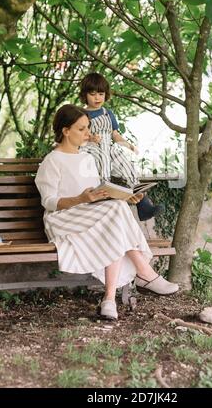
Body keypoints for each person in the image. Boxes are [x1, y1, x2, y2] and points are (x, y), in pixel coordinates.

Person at [35, 104, 179, 321]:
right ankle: (145, 273)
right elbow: (49, 202)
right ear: (66, 131)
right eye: (82, 129)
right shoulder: (51, 161)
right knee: (115, 216)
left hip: (92, 216)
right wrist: (81, 199)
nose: (88, 134)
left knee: (117, 211)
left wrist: (123, 197)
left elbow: (98, 194)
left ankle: (110, 299)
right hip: (63, 219)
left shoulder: (87, 158)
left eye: (88, 128)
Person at [79, 72, 164, 221]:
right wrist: (90, 137)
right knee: (103, 160)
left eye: (101, 94)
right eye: (92, 94)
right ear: (85, 95)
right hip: (90, 148)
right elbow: (79, 135)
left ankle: (143, 205)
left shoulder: (108, 113)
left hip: (108, 146)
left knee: (125, 163)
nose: (97, 98)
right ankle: (102, 199)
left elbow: (115, 135)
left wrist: (127, 144)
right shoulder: (81, 114)